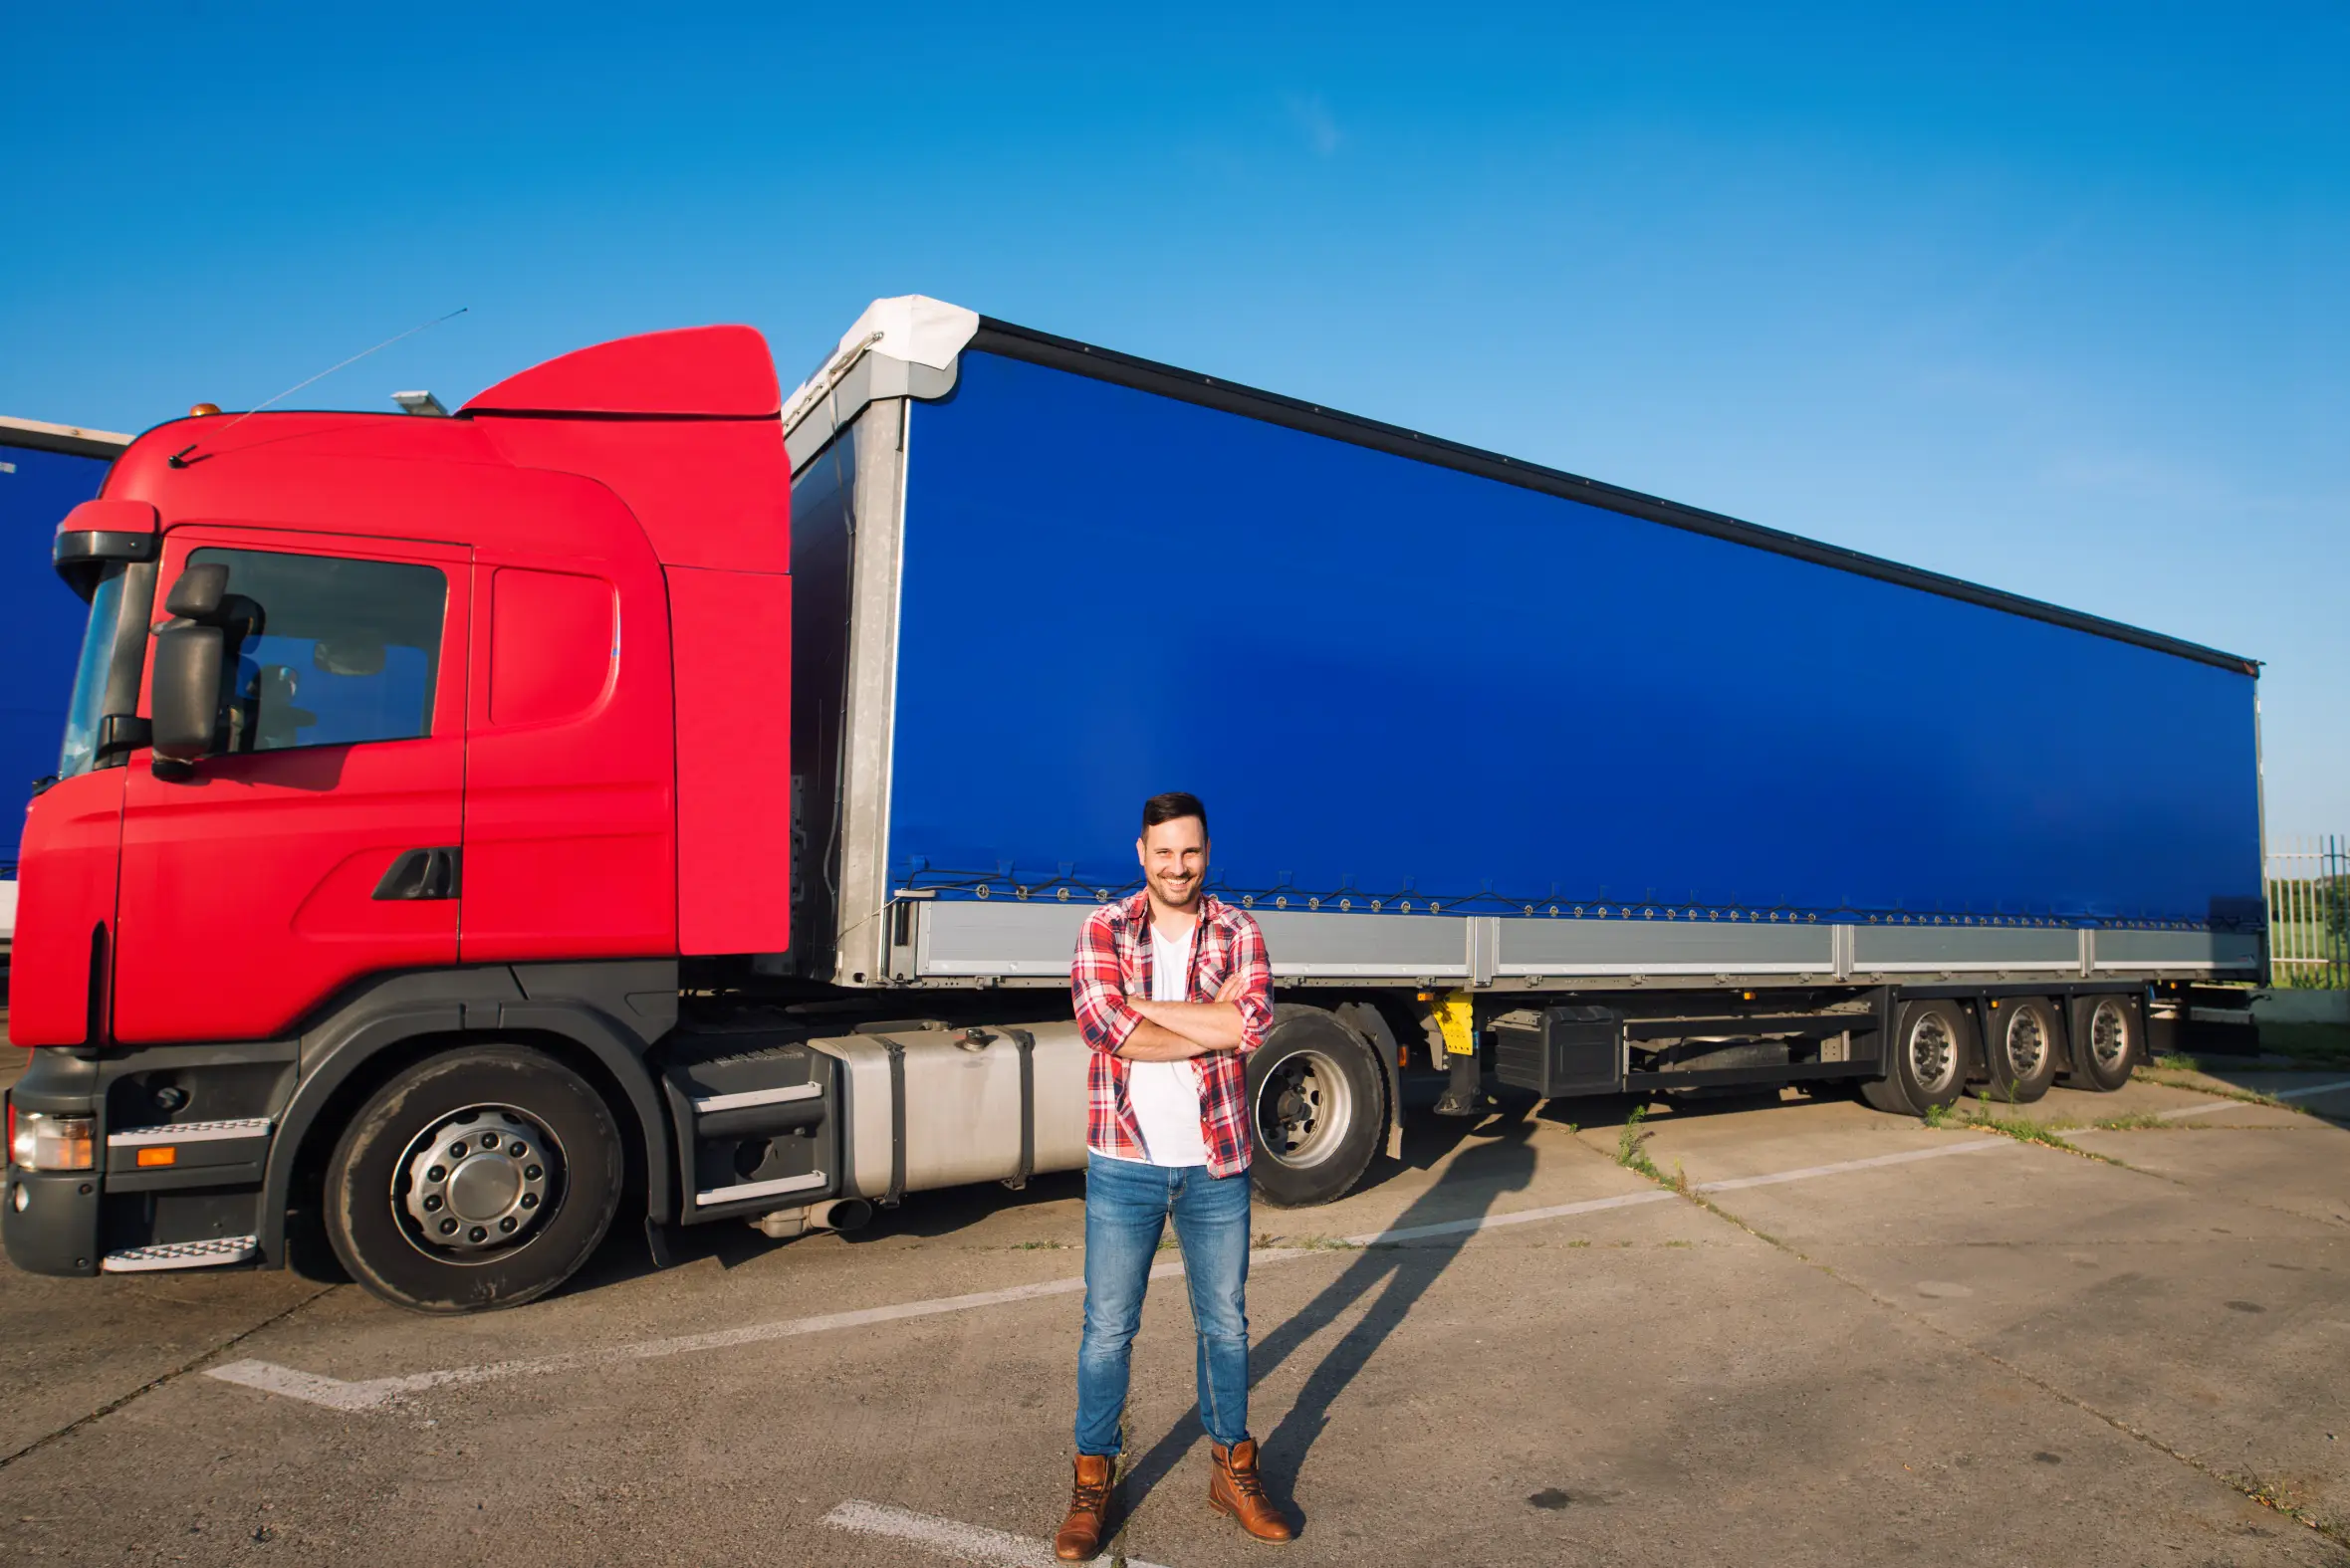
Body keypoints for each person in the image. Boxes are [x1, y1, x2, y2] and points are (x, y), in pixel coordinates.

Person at [1054, 791, 1293, 1560]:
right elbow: (1103, 1027)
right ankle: (1093, 1480)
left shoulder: (1238, 928)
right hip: (1124, 1163)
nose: (1177, 866)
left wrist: (1147, 1006)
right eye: (1164, 852)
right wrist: (1204, 1022)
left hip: (1214, 1163)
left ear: (1207, 852)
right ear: (1141, 852)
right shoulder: (1104, 927)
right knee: (1106, 1331)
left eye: (1190, 852)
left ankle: (1232, 1467)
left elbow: (1251, 1021)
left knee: (1224, 1324)